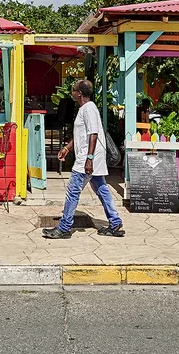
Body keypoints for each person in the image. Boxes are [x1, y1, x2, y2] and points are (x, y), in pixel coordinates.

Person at [43, 79, 124, 239]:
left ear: (79, 93)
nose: (71, 92)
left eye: (73, 89)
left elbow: (93, 134)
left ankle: (64, 228)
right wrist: (67, 148)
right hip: (90, 156)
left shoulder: (89, 109)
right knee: (101, 189)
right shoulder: (85, 109)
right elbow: (83, 135)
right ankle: (115, 222)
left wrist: (89, 159)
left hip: (88, 158)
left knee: (73, 191)